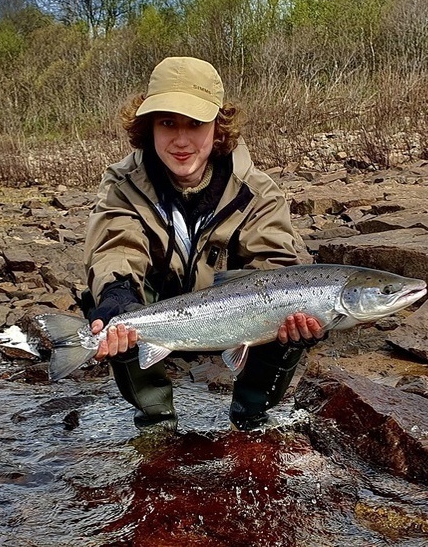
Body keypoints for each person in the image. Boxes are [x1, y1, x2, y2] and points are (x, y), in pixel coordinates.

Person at [83, 56, 326, 432]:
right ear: (148, 128)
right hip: (158, 312)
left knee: (289, 308)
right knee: (113, 302)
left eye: (195, 124)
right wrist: (117, 293)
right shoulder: (123, 184)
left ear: (218, 127)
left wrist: (299, 316)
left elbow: (274, 266)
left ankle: (251, 418)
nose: (181, 140)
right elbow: (117, 246)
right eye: (167, 124)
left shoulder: (257, 191)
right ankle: (157, 423)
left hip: (234, 312)